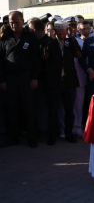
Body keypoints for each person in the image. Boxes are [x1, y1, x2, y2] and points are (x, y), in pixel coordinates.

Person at [0, 11, 40, 148]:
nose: (13, 25)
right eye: (11, 22)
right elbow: (1, 61)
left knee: (29, 108)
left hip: (27, 78)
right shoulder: (5, 38)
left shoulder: (30, 37)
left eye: (16, 22)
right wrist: (2, 80)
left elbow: (36, 60)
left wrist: (34, 78)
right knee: (11, 109)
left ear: (22, 21)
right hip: (10, 80)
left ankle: (31, 137)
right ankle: (13, 137)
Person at [45, 20, 81, 145]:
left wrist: (70, 39)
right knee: (53, 110)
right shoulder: (50, 42)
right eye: (59, 34)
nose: (61, 36)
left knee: (69, 110)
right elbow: (45, 57)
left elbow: (78, 55)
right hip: (54, 81)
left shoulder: (69, 41)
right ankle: (52, 135)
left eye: (63, 34)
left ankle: (69, 134)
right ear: (54, 31)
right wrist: (52, 40)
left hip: (69, 81)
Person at [28, 17, 52, 135]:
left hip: (45, 79)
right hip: (35, 79)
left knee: (43, 107)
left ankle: (44, 130)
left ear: (33, 29)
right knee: (37, 106)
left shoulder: (49, 42)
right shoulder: (34, 42)